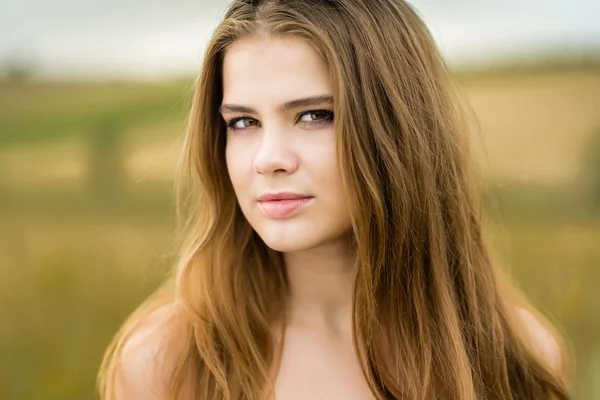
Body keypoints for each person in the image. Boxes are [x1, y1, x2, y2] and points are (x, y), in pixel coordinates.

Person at [98, 0, 572, 399]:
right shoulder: (166, 365)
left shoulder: (514, 359)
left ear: (398, 128)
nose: (269, 159)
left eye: (314, 115)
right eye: (243, 123)